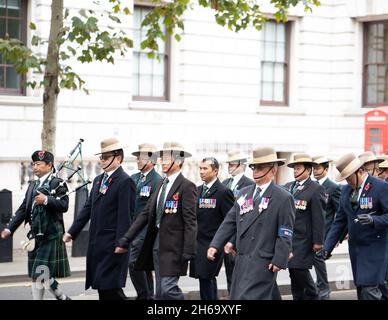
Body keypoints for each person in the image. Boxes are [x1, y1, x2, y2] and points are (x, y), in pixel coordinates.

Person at [208, 147, 295, 300]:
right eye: (253, 167)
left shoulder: (283, 197)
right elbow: (230, 221)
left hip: (263, 260)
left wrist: (280, 259)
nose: (255, 171)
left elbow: (285, 231)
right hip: (241, 259)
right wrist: (215, 244)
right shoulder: (244, 193)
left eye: (261, 167)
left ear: (273, 170)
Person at [117, 142, 197, 300]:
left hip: (175, 248)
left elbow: (191, 221)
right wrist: (126, 239)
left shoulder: (187, 186)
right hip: (157, 245)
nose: (163, 162)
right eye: (162, 158)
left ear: (179, 161)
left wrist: (189, 250)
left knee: (168, 289)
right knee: (160, 294)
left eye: (167, 158)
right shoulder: (162, 183)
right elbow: (146, 214)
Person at [63, 137, 136, 300]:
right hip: (97, 245)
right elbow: (87, 208)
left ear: (118, 158)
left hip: (113, 246)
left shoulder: (125, 181)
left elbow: (126, 216)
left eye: (106, 157)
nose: (102, 161)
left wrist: (122, 243)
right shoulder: (98, 180)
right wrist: (72, 232)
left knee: (110, 289)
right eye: (101, 157)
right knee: (103, 289)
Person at [1, 150, 71, 300]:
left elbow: (64, 205)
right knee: (42, 273)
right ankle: (62, 296)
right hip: (36, 235)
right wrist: (9, 228)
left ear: (49, 165)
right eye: (33, 164)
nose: (35, 167)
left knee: (38, 273)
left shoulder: (57, 183)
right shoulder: (33, 185)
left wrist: (46, 200)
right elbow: (23, 209)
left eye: (38, 164)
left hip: (51, 233)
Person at [324, 153, 388, 300]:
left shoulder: (381, 187)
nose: (347, 181)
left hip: (375, 250)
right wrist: (327, 247)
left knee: (369, 290)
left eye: (349, 177)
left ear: (359, 171)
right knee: (362, 291)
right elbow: (340, 222)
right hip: (356, 251)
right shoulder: (346, 191)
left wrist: (374, 220)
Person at [189, 157, 234, 300]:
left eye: (205, 169)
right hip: (198, 243)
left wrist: (228, 241)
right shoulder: (197, 190)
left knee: (206, 277)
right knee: (205, 279)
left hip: (213, 243)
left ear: (215, 171)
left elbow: (230, 220)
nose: (201, 172)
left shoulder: (223, 192)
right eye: (200, 168)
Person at [284, 153, 325, 300]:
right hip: (289, 238)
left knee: (300, 271)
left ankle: (315, 295)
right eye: (294, 168)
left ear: (308, 170)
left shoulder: (315, 189)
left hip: (304, 239)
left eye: (298, 168)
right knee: (293, 274)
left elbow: (319, 217)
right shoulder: (289, 186)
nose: (295, 171)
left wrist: (318, 241)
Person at [129, 143, 162, 300]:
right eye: (137, 158)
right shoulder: (133, 178)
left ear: (152, 161)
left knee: (133, 263)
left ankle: (143, 295)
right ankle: (148, 296)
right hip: (131, 229)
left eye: (142, 158)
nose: (138, 161)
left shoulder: (158, 181)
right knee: (143, 267)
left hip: (145, 232)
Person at [221, 150, 255, 293]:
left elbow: (247, 216)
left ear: (242, 165)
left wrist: (234, 240)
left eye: (233, 164)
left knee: (242, 276)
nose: (230, 166)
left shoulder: (249, 184)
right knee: (230, 275)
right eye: (229, 163)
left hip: (241, 235)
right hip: (226, 233)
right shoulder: (225, 183)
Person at [311, 155, 341, 300]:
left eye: (318, 168)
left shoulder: (333, 187)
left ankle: (324, 289)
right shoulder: (310, 185)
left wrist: (337, 237)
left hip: (325, 232)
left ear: (326, 169)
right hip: (309, 231)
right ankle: (315, 288)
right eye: (313, 168)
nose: (315, 171)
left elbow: (340, 213)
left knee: (318, 259)